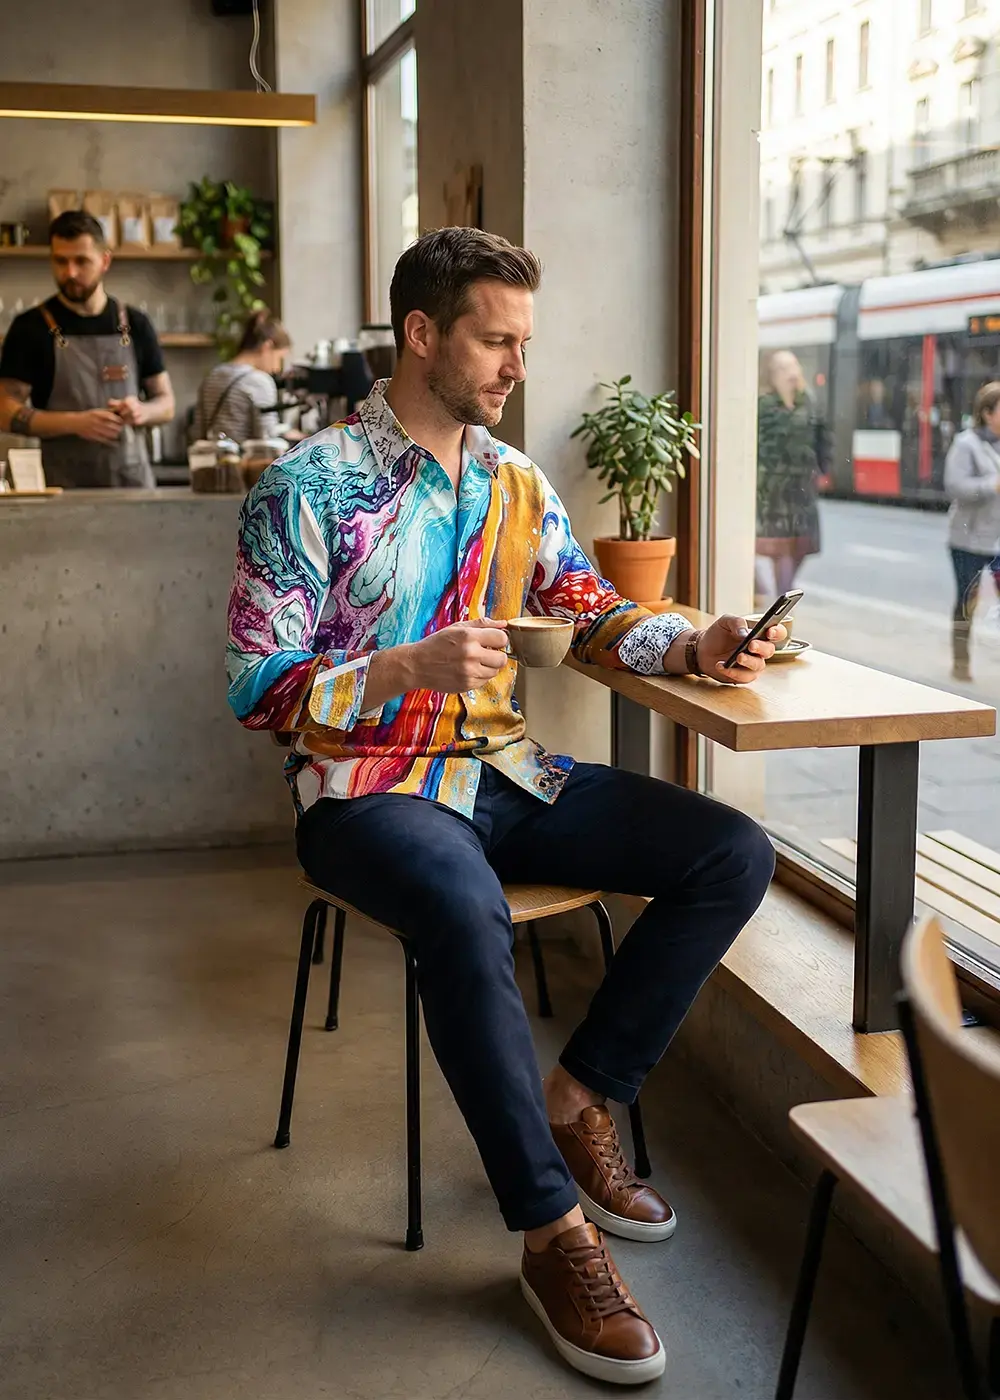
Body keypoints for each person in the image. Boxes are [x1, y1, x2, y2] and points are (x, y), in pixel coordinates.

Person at [226, 227, 781, 1386]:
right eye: (494, 338)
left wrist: (698, 637)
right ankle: (549, 1233)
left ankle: (582, 1094)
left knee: (729, 848)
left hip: (504, 770)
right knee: (458, 899)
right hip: (364, 786)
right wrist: (399, 668)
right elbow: (254, 685)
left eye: (524, 341)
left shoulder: (514, 481)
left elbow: (586, 610)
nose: (515, 364)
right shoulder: (308, 484)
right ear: (420, 334)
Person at [0, 211, 174, 488]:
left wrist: (141, 411)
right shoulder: (30, 327)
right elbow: (5, 411)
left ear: (105, 260)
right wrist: (74, 423)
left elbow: (166, 404)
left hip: (132, 485)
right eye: (60, 261)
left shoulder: (135, 324)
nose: (70, 272)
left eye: (81, 261)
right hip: (62, 487)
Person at [755, 349, 825, 598]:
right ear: (772, 375)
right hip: (775, 490)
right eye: (783, 368)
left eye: (793, 365)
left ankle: (778, 595)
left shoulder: (808, 400)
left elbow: (822, 436)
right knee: (782, 550)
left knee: (802, 546)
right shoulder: (765, 405)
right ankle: (780, 602)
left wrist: (822, 469)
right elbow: (765, 446)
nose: (791, 372)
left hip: (803, 489)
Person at [943, 381, 1000, 683]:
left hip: (998, 540)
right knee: (968, 602)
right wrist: (991, 486)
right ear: (988, 413)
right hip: (968, 540)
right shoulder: (967, 444)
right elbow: (955, 486)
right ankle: (961, 662)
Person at [193, 308, 301, 445]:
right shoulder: (259, 381)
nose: (278, 368)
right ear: (267, 347)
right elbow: (268, 440)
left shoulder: (214, 375)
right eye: (279, 358)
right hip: (245, 463)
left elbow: (198, 431)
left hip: (212, 462)